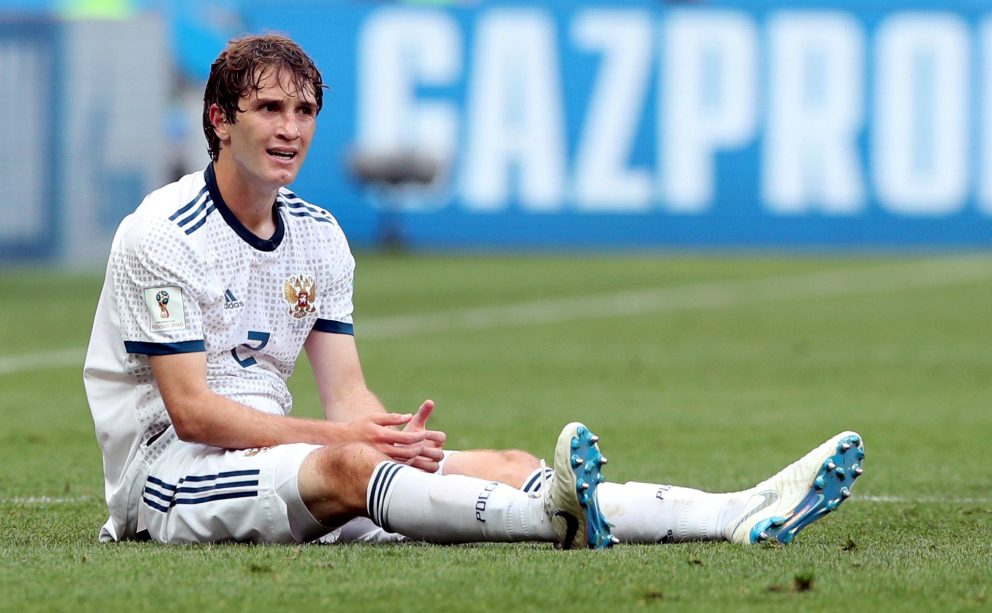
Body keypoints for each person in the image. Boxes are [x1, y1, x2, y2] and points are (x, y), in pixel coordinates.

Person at [83, 34, 864, 548]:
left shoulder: (318, 235)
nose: (290, 129)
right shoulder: (162, 232)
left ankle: (733, 510)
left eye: (305, 110)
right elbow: (193, 411)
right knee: (352, 467)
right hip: (174, 476)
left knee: (508, 461)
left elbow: (348, 394)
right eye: (268, 109)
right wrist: (345, 442)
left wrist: (388, 435)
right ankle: (550, 521)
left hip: (288, 458)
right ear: (220, 120)